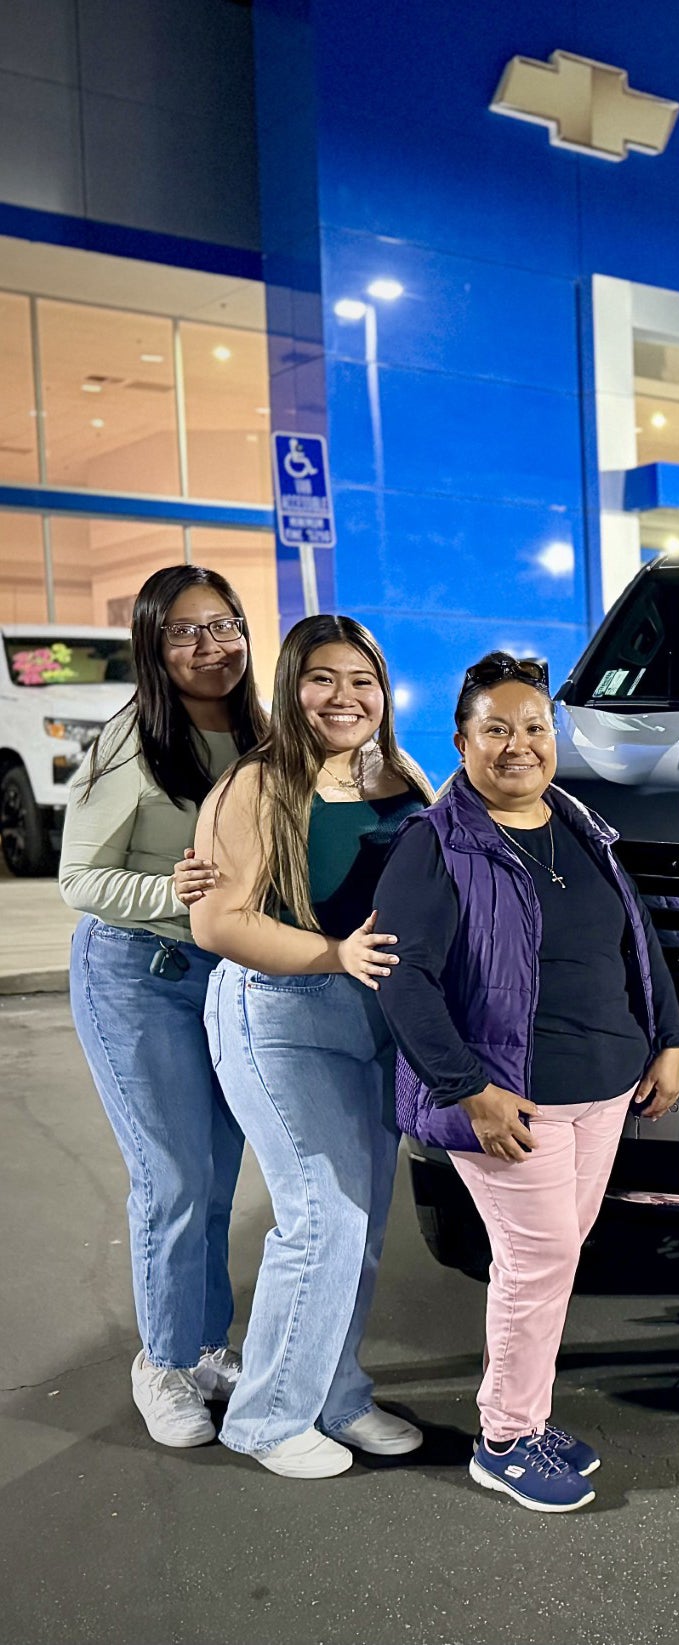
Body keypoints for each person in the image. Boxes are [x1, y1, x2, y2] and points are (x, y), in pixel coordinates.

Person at [375, 651, 679, 1514]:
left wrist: (667, 1036)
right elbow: (403, 979)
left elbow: (634, 937)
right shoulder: (435, 844)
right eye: (496, 729)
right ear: (461, 741)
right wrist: (466, 1086)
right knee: (537, 1259)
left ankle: (526, 1418)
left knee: (550, 1259)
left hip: (604, 1087)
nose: (519, 744)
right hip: (512, 1099)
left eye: (534, 726)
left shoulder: (579, 823)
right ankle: (507, 1438)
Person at [189, 614, 431, 1479]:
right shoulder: (256, 784)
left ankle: (335, 1394)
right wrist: (333, 955)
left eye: (362, 680)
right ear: (291, 686)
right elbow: (218, 922)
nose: (344, 696)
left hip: (376, 1020)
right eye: (322, 677)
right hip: (280, 1015)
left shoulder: (399, 773)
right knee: (321, 1214)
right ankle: (266, 1416)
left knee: (358, 1225)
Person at [59, 566, 267, 1447]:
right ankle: (165, 1362)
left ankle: (205, 1345)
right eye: (184, 631)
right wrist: (169, 892)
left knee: (216, 1177)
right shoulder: (131, 741)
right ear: (153, 644)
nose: (209, 646)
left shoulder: (262, 734)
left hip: (228, 978)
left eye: (224, 625)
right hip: (137, 974)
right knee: (173, 1176)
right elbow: (79, 877)